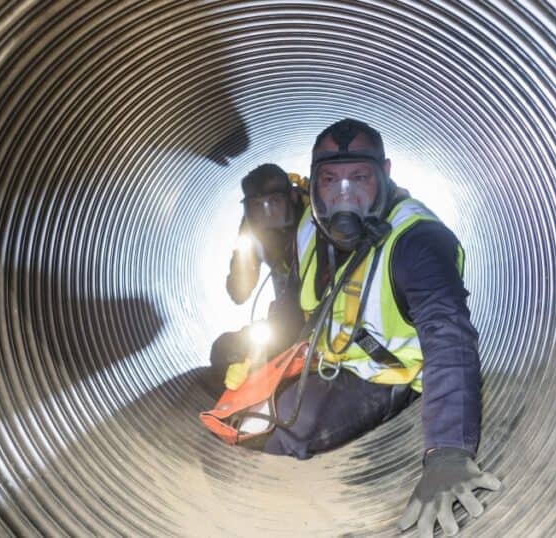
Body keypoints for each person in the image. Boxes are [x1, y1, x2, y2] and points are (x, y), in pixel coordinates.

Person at [261, 119, 500, 537]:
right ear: (314, 182)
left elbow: (449, 338)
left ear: (385, 174)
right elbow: (292, 300)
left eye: (359, 178)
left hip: (390, 376)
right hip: (335, 359)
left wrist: (446, 452)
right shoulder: (308, 228)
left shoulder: (417, 242)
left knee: (291, 427)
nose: (343, 195)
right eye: (330, 179)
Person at [207, 164, 307, 395]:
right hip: (287, 318)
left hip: (328, 312)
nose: (267, 213)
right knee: (224, 350)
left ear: (292, 196)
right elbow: (239, 293)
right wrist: (246, 249)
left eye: (274, 202)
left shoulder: (316, 216)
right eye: (257, 206)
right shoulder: (252, 233)